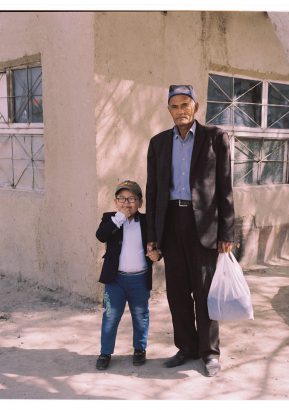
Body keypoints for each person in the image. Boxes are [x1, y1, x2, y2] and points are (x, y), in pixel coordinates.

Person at [146, 84, 235, 377]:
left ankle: (209, 352)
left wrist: (227, 232)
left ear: (195, 106)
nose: (180, 111)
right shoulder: (158, 143)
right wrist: (152, 237)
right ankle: (186, 347)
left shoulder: (215, 138)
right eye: (174, 106)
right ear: (168, 110)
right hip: (171, 222)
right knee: (177, 292)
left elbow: (225, 187)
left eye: (185, 104)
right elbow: (153, 191)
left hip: (205, 225)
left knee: (205, 291)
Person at [95, 180, 160, 370]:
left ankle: (139, 349)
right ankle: (105, 352)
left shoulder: (147, 222)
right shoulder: (110, 219)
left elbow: (158, 245)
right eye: (122, 199)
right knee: (110, 316)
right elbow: (101, 235)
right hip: (115, 280)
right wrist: (120, 218)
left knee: (140, 315)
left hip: (139, 279)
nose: (126, 203)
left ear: (140, 202)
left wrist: (158, 254)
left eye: (132, 199)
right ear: (116, 202)